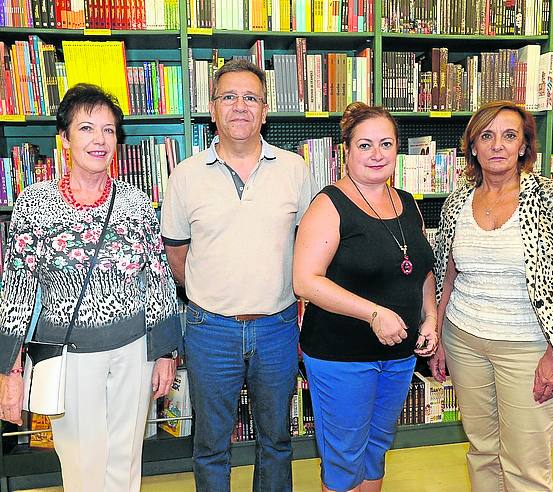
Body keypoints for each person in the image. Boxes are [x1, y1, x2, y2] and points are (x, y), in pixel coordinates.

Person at [0, 83, 181, 492]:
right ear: (63, 139)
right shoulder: (35, 202)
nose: (99, 140)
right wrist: (9, 369)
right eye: (86, 128)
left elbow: (157, 279)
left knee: (125, 460)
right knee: (83, 466)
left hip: (135, 352)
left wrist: (166, 351)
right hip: (70, 356)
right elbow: (17, 286)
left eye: (108, 130)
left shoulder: (136, 202)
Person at [160, 59, 317, 492]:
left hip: (278, 328)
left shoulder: (294, 171)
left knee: (277, 443)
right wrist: (213, 292)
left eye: (251, 98)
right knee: (211, 445)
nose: (240, 107)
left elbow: (308, 246)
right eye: (229, 97)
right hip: (210, 329)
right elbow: (178, 256)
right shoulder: (186, 176)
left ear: (265, 110)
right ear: (213, 109)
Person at [428, 100, 553, 491]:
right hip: (464, 340)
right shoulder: (456, 203)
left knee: (526, 463)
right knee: (482, 449)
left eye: (509, 135)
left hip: (529, 347)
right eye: (487, 136)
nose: (497, 145)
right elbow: (446, 274)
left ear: (524, 146)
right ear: (472, 147)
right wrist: (439, 341)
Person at [293, 102, 439, 492]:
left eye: (386, 144)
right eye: (365, 145)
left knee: (376, 450)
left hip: (399, 355)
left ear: (396, 150)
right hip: (342, 356)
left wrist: (430, 318)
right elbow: (305, 282)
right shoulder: (329, 204)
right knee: (344, 457)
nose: (377, 154)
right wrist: (374, 313)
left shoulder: (407, 202)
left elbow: (420, 266)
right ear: (346, 152)